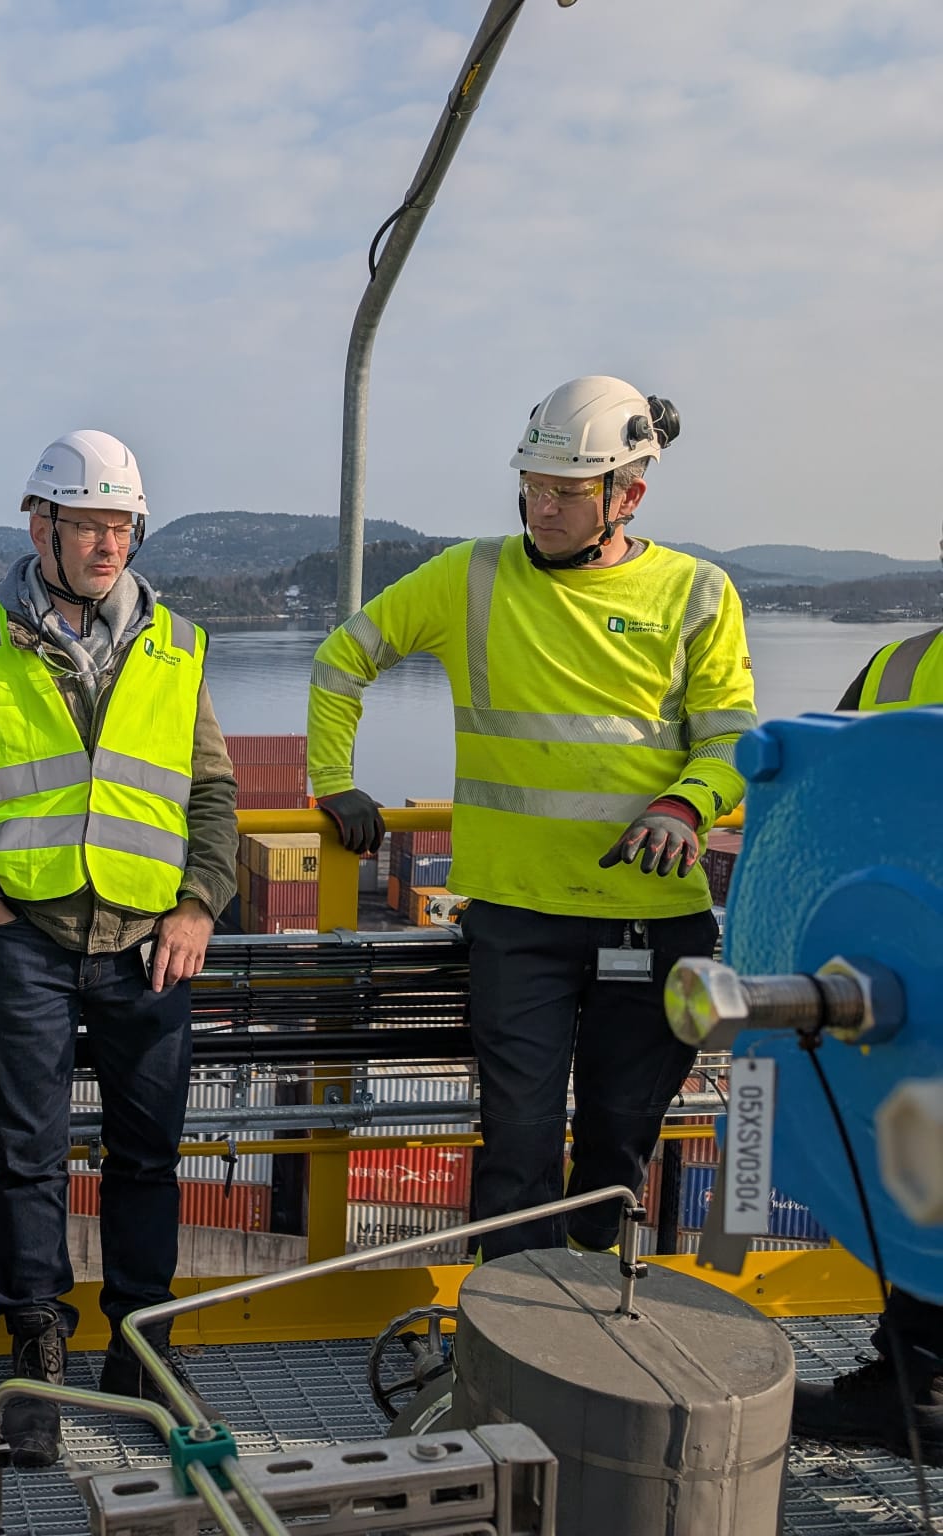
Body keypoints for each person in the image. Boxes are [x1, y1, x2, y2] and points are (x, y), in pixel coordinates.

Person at [307, 376, 755, 1260]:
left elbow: (733, 741)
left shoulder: (698, 593)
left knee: (619, 1145)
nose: (539, 507)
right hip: (517, 922)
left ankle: (588, 1321)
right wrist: (333, 779)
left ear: (627, 495)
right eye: (532, 486)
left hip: (651, 921)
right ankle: (512, 1337)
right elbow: (340, 661)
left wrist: (686, 802)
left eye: (565, 492)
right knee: (515, 1150)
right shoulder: (471, 576)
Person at [0, 429, 238, 1467]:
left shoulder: (177, 646)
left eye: (121, 524)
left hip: (149, 948)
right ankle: (38, 1348)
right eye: (88, 523)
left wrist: (199, 907)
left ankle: (143, 1345)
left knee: (148, 1158)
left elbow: (214, 795)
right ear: (39, 524)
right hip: (29, 943)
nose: (107, 542)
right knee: (27, 1159)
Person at [792, 554, 943, 1456]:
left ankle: (914, 1381)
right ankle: (912, 1373)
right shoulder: (893, 669)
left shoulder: (897, 669)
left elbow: (823, 820)